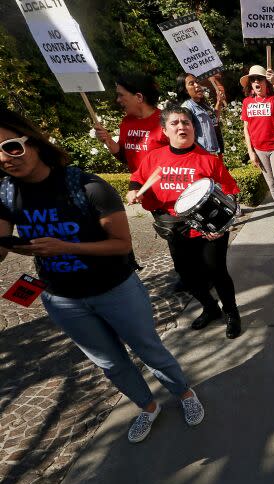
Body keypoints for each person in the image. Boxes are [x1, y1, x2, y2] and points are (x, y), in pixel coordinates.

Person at [0, 108, 204, 444]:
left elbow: (122, 244)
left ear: (33, 142)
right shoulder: (5, 194)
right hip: (62, 299)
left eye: (12, 147)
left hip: (115, 288)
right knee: (109, 363)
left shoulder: (87, 186)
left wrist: (63, 246)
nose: (5, 158)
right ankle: (148, 406)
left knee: (148, 349)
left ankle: (184, 394)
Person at [130, 105, 242, 339]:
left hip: (208, 228)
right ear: (165, 130)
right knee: (187, 274)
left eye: (186, 122)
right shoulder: (154, 158)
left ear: (193, 128)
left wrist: (219, 226)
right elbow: (137, 180)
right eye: (175, 123)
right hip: (175, 227)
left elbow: (230, 194)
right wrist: (134, 192)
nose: (182, 126)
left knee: (217, 272)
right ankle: (210, 308)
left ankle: (231, 313)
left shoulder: (208, 160)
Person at [240, 64, 274, 236]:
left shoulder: (273, 99)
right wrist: (251, 151)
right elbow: (246, 128)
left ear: (266, 82)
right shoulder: (247, 102)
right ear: (250, 84)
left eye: (260, 79)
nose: (256, 82)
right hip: (259, 149)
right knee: (271, 185)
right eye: (253, 80)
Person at [94, 72, 168, 176]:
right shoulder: (126, 121)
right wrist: (108, 140)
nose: (118, 100)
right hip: (138, 189)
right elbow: (124, 157)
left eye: (121, 95)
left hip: (163, 189)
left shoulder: (167, 121)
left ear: (139, 97)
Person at [176, 73, 224, 156]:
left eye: (197, 82)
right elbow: (187, 136)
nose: (197, 85)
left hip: (216, 152)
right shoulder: (186, 109)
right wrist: (202, 155)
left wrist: (219, 103)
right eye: (192, 84)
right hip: (204, 155)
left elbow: (214, 120)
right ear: (185, 90)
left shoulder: (203, 104)